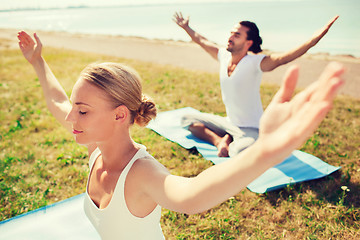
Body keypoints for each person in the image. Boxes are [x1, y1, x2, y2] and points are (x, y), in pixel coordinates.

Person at [17, 30, 344, 240]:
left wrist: (267, 150)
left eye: (83, 110)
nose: (70, 116)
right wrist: (38, 61)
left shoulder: (141, 173)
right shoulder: (96, 148)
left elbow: (192, 196)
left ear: (120, 116)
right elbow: (59, 101)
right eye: (75, 108)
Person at [173, 12, 339, 157]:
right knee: (186, 119)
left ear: (248, 43)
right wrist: (186, 27)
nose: (230, 37)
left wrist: (313, 40)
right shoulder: (223, 55)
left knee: (239, 153)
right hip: (229, 122)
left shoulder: (256, 62)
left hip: (251, 128)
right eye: (231, 33)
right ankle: (220, 141)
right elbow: (201, 40)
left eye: (236, 35)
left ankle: (230, 139)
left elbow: (283, 58)